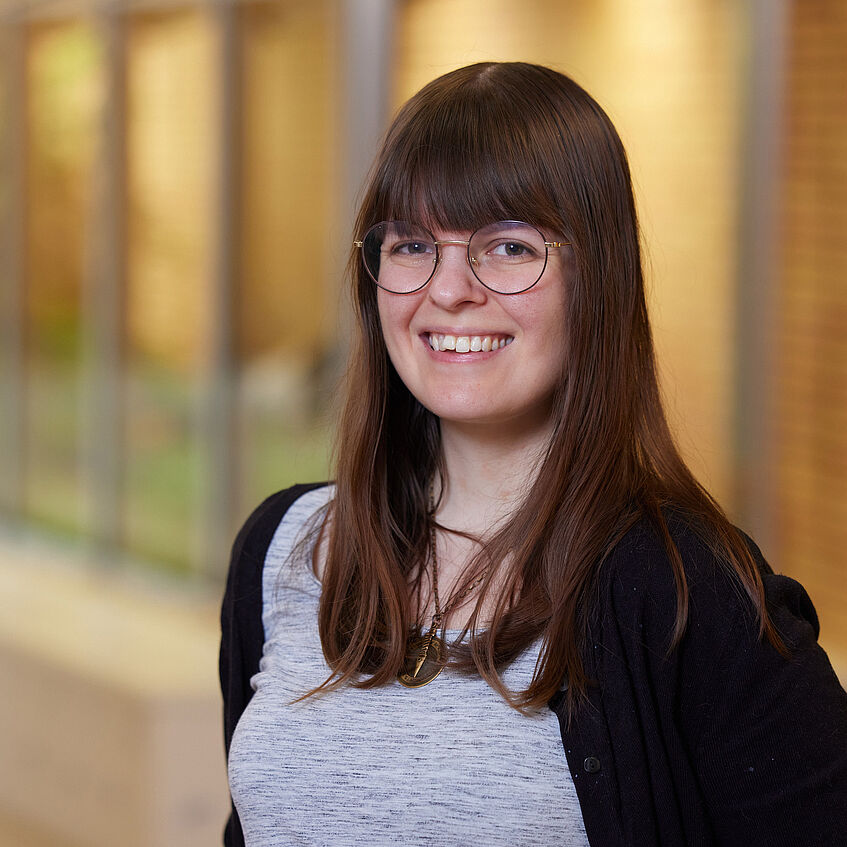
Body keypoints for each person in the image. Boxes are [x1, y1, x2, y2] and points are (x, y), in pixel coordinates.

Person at [220, 62, 847, 846]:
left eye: (509, 247)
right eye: (412, 243)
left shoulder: (690, 594)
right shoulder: (283, 551)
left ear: (597, 276)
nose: (448, 289)